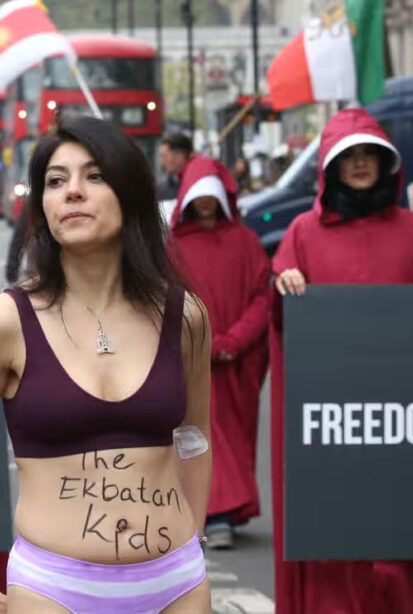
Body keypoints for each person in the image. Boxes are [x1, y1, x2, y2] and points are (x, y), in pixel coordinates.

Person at [0, 115, 213, 613]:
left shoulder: (184, 315)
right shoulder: (4, 321)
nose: (73, 191)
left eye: (95, 176)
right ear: (42, 207)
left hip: (177, 585)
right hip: (53, 589)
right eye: (56, 181)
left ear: (130, 193)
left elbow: (196, 437)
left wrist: (195, 541)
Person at [271, 108, 413, 613]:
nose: (359, 163)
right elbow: (284, 324)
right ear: (330, 166)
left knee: (405, 548)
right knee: (339, 550)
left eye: (368, 153)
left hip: (403, 425)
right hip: (335, 427)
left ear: (384, 162)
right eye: (348, 155)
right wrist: (284, 288)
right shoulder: (303, 232)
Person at [169, 155, 269, 550]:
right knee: (203, 434)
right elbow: (165, 299)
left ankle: (223, 509)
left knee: (233, 435)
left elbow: (261, 297)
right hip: (193, 361)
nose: (206, 203)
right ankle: (215, 513)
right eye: (199, 195)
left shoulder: (246, 242)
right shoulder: (174, 247)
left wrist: (234, 342)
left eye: (212, 195)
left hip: (237, 363)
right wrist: (199, 343)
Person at [157, 132, 194, 201]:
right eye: (161, 156)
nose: (163, 161)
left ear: (179, 155)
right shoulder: (160, 189)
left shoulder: (199, 185)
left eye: (165, 156)